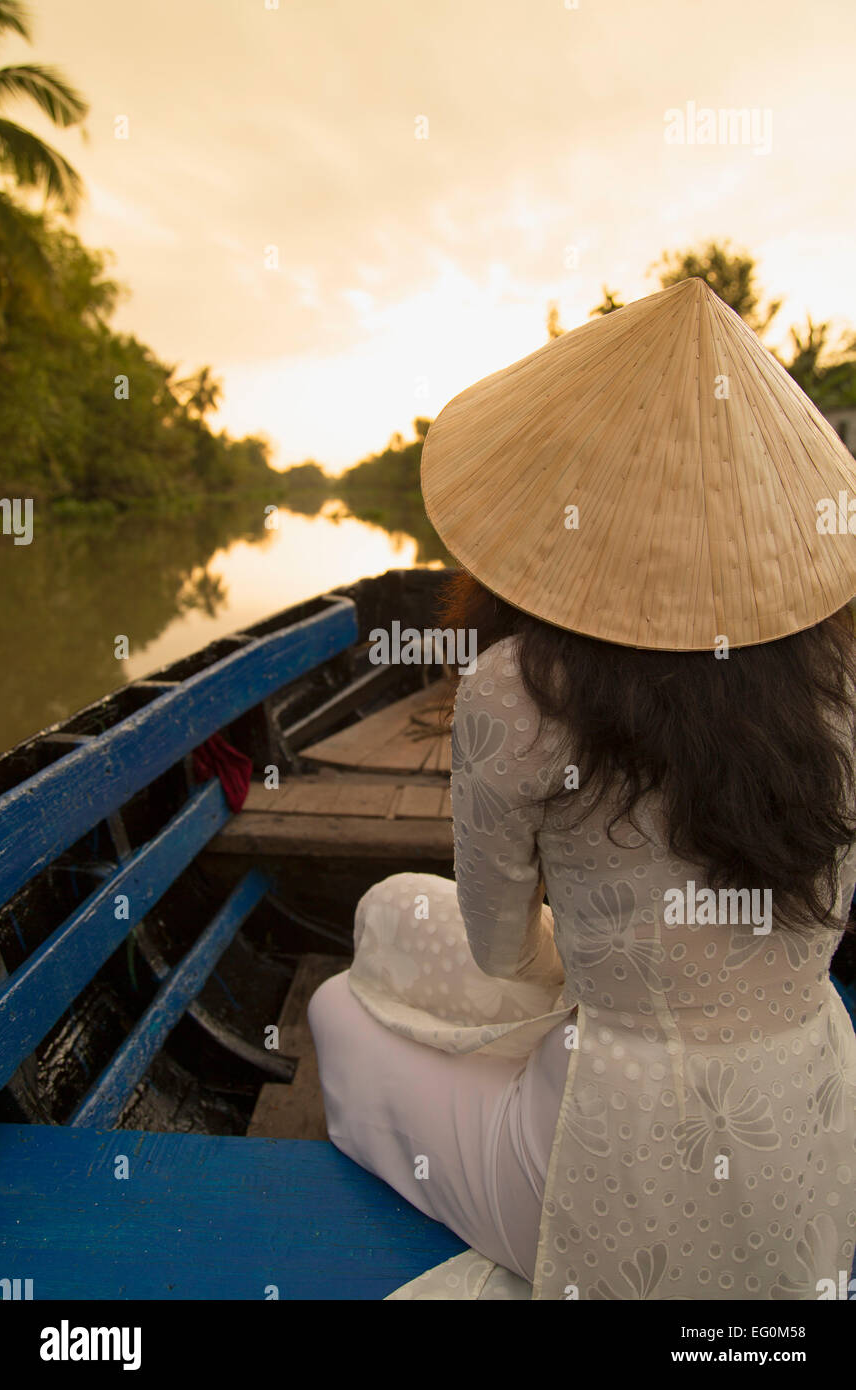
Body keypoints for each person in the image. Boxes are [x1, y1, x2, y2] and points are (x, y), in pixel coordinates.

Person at [308, 277, 856, 1300]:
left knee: (343, 1002)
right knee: (399, 916)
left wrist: (592, 973)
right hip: (813, 1143)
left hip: (609, 1151)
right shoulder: (843, 679)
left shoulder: (515, 687)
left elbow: (499, 951)